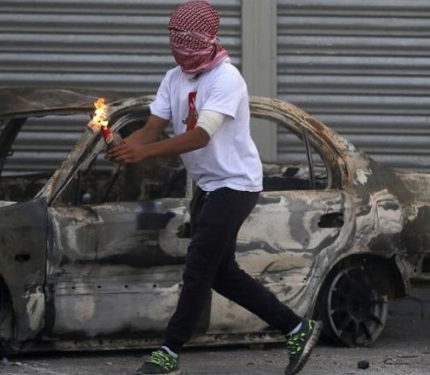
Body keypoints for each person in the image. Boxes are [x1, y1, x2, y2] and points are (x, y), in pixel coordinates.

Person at [106, 2, 321, 375]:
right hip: (207, 185)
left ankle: (169, 351)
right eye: (174, 40)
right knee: (221, 273)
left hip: (235, 185)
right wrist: (128, 148)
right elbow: (153, 128)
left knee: (198, 267)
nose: (180, 48)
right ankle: (297, 328)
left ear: (206, 39)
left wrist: (144, 150)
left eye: (187, 41)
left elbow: (200, 137)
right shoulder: (173, 78)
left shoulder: (226, 79)